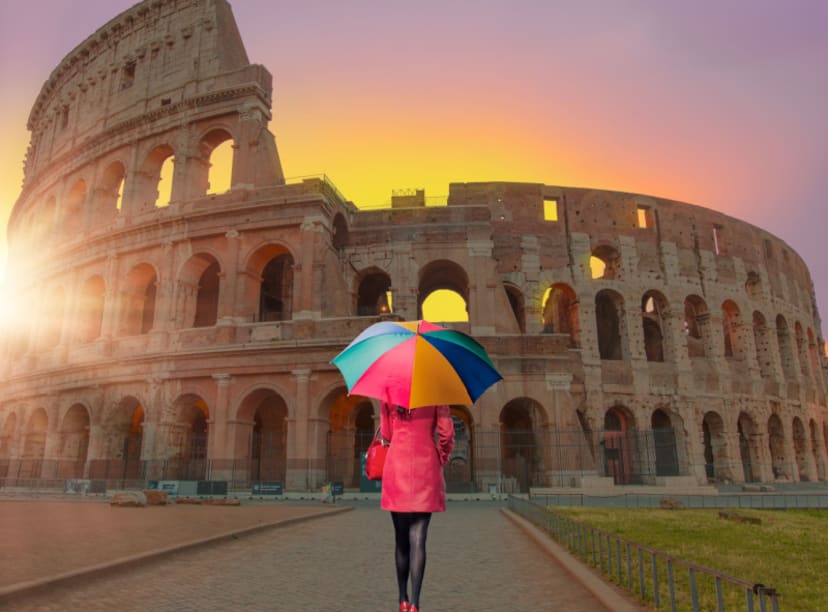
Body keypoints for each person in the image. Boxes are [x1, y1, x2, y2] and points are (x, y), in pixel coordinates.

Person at [379, 401, 455, 612]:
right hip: (425, 465)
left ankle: (402, 599)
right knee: (419, 539)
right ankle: (415, 603)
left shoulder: (388, 392)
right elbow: (446, 434)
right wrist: (441, 455)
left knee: (401, 540)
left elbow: (386, 434)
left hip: (398, 465)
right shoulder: (434, 391)